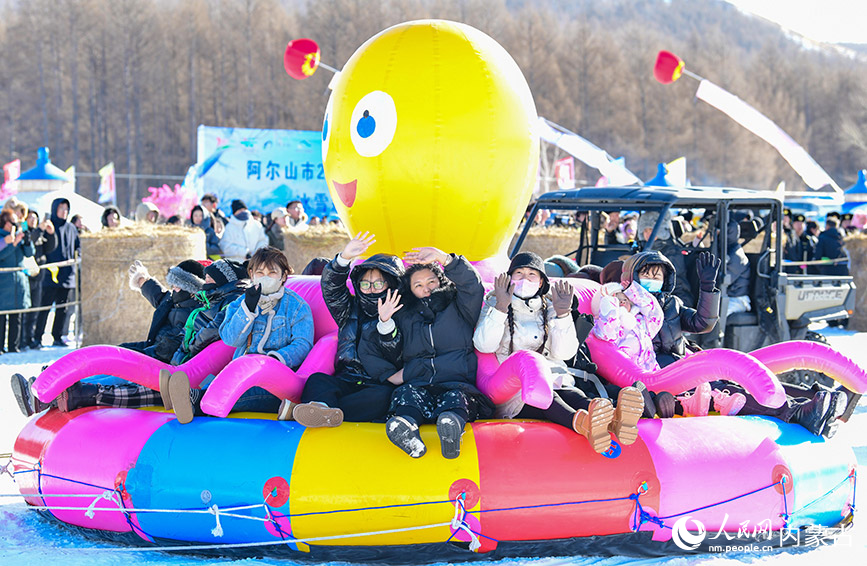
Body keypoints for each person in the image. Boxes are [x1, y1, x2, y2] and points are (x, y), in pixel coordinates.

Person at [474, 252, 644, 454]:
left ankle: (614, 419)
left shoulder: (550, 307)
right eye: (519, 273)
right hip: (516, 390)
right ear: (509, 278)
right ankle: (583, 424)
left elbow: (564, 353)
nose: (525, 279)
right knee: (550, 398)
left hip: (555, 378)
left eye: (531, 274)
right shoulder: (494, 302)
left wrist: (563, 315)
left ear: (540, 282)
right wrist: (501, 308)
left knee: (574, 395)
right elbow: (484, 345)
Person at [165, 246, 314, 423]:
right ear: (252, 275)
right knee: (220, 381)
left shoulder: (297, 306)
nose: (266, 277)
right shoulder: (241, 303)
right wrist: (247, 310)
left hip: (277, 378)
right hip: (241, 372)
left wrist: (273, 360)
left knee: (248, 390)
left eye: (272, 272)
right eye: (260, 272)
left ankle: (195, 401)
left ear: (283, 276)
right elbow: (230, 338)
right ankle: (182, 397)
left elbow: (303, 344)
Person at [379, 247, 493, 459]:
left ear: (441, 281)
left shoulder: (459, 306)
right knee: (407, 397)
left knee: (456, 399)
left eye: (431, 281)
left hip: (456, 379)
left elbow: (472, 286)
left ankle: (451, 428)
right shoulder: (405, 314)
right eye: (418, 285)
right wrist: (385, 323)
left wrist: (444, 258)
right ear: (410, 290)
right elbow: (391, 348)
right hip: (419, 380)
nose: (426, 288)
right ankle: (407, 430)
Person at [291, 232, 404, 427]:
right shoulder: (349, 308)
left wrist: (386, 322)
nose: (370, 289)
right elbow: (331, 288)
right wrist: (343, 259)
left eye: (378, 284)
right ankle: (321, 408)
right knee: (318, 380)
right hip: (347, 377)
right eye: (365, 284)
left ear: (391, 285)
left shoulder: (401, 313)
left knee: (384, 396)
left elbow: (397, 352)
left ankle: (320, 412)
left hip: (377, 382)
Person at [621, 250, 720, 369]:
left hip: (678, 363)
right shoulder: (626, 305)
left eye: (656, 277)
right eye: (646, 276)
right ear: (634, 276)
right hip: (648, 368)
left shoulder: (672, 304)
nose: (651, 280)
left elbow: (703, 323)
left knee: (718, 381)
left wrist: (707, 287)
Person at [123, 259, 206, 362]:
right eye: (173, 285)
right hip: (150, 348)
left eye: (177, 286)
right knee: (111, 352)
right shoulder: (174, 302)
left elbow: (168, 349)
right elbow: (160, 296)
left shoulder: (194, 315)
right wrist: (143, 281)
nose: (173, 289)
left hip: (159, 360)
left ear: (191, 290)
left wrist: (135, 356)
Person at [170, 258, 247, 364]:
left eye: (211, 277)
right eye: (206, 277)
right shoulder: (211, 299)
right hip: (189, 352)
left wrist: (191, 347)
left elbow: (213, 329)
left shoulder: (232, 300)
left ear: (223, 279)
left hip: (200, 356)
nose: (207, 280)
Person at [32, 198, 80, 349]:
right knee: (45, 308)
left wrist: (76, 258)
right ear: (54, 209)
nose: (64, 212)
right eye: (61, 209)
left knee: (62, 309)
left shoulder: (71, 228)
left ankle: (57, 336)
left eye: (66, 209)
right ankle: (37, 336)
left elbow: (77, 247)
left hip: (67, 275)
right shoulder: (49, 225)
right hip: (50, 275)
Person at [591, 280, 664, 373]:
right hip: (626, 374)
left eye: (625, 299)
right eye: (617, 300)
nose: (622, 302)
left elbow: (656, 315)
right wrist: (608, 302)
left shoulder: (640, 321)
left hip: (651, 371)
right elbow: (606, 333)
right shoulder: (606, 324)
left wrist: (633, 290)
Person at [636, 211, 695, 308]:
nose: (647, 234)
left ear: (660, 230)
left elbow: (677, 282)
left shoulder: (671, 252)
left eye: (651, 229)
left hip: (676, 297)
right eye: (645, 230)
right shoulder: (642, 248)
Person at [0, 209, 35, 353]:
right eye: (14, 222)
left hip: (18, 282)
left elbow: (30, 253)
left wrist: (27, 241)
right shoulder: (2, 237)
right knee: (1, 318)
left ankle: (15, 346)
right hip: (4, 283)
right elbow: (2, 256)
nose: (16, 225)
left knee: (17, 316)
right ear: (6, 224)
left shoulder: (19, 236)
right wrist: (13, 244)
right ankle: (0, 346)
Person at [20, 211, 56, 349]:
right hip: (27, 275)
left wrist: (51, 234)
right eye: (30, 217)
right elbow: (30, 245)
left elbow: (50, 248)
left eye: (36, 217)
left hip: (39, 275)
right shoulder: (25, 231)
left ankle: (31, 338)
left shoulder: (40, 233)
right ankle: (23, 339)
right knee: (26, 309)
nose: (33, 220)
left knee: (35, 308)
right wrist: (39, 230)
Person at [723, 221, 751, 316]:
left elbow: (724, 280)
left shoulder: (736, 255)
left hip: (737, 299)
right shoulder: (726, 250)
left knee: (713, 317)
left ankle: (718, 331)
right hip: (727, 297)